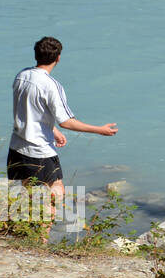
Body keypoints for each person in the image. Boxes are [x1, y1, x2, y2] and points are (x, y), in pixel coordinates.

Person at [9, 36, 118, 233]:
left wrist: (53, 130)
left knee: (31, 196)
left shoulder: (21, 76)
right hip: (39, 150)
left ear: (36, 55)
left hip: (17, 147)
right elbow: (67, 121)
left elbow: (31, 110)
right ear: (58, 58)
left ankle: (27, 236)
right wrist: (99, 130)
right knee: (54, 194)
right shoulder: (51, 85)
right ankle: (41, 241)